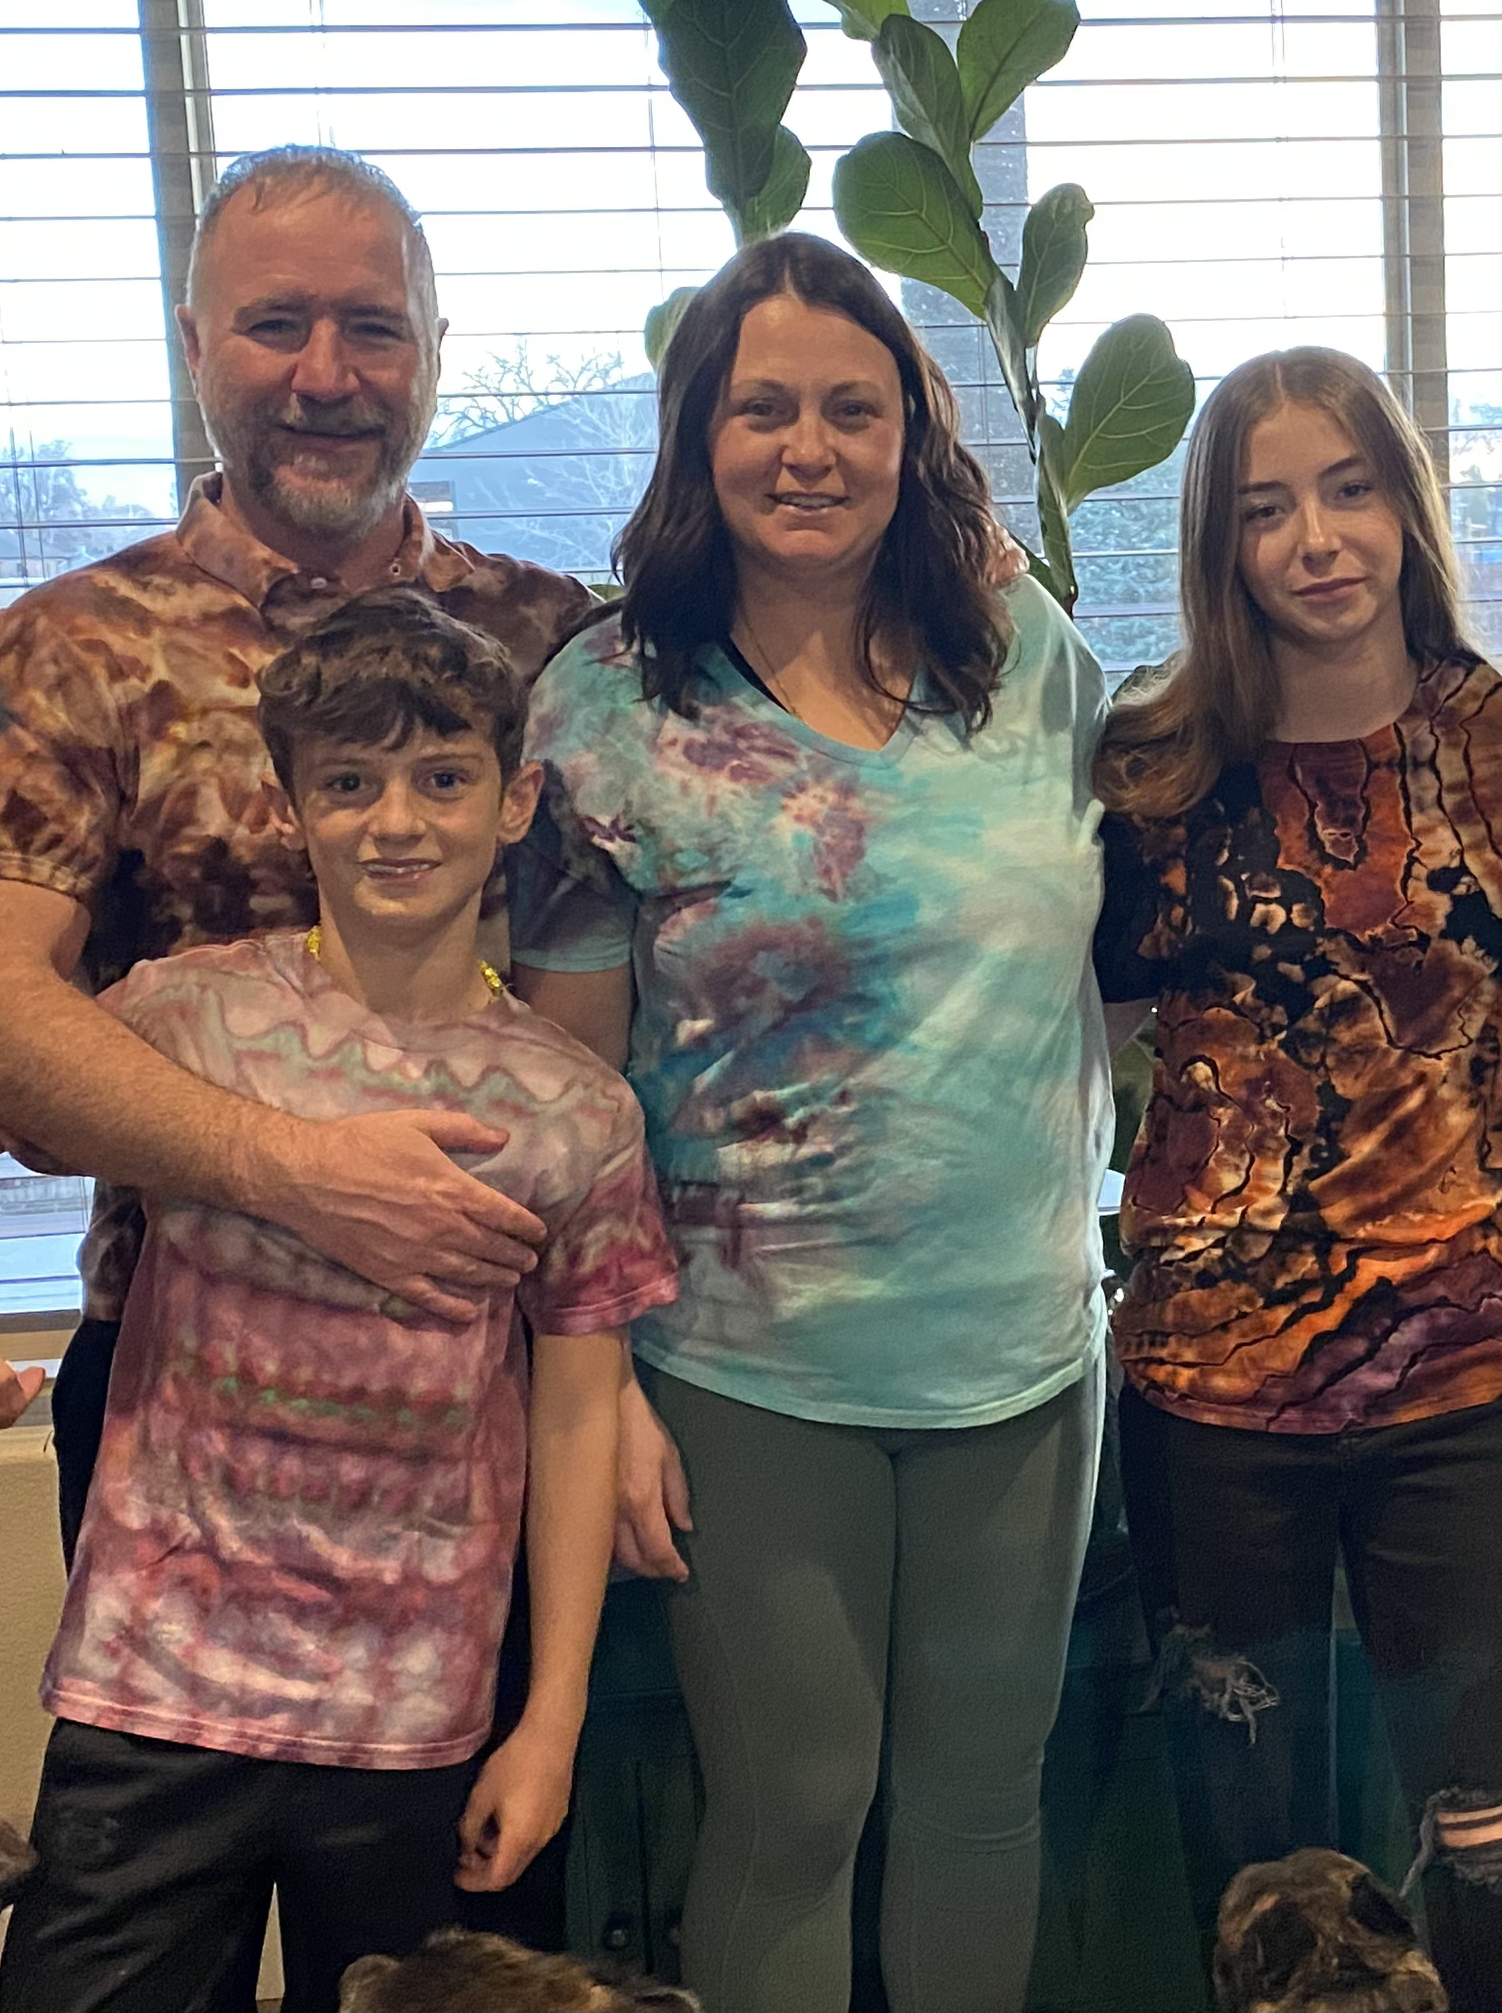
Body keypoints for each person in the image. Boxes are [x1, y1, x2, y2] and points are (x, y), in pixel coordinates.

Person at [0, 143, 602, 1983]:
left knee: (444, 1969)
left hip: (476, 1413)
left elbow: (621, 1004)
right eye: (275, 324)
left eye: (371, 326)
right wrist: (296, 1168)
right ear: (196, 339)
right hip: (182, 1424)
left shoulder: (556, 644)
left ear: (437, 346)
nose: (325, 373)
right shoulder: (80, 647)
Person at [0, 591, 675, 2013]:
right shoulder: (193, 1015)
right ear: (293, 806)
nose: (396, 821)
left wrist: (548, 1718)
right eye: (349, 784)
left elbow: (579, 1400)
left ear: (516, 798)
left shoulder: (574, 1105)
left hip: (419, 1710)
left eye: (442, 778)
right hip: (157, 1684)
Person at [504, 231, 1110, 2013]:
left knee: (982, 1805)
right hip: (750, 1373)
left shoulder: (1023, 658)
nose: (808, 448)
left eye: (854, 409)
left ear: (912, 437)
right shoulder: (608, 702)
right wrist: (597, 1398)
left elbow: (1123, 948)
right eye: (761, 408)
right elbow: (568, 1101)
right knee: (793, 1804)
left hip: (1022, 1355)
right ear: (696, 436)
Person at [1094, 348, 1502, 2013]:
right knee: (1262, 1872)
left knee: (1497, 1836)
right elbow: (1081, 1056)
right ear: (1218, 543)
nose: (1315, 537)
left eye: (1348, 488)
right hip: (1207, 1399)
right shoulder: (1154, 768)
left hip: (1444, 1386)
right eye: (1265, 507)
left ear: (1404, 503)